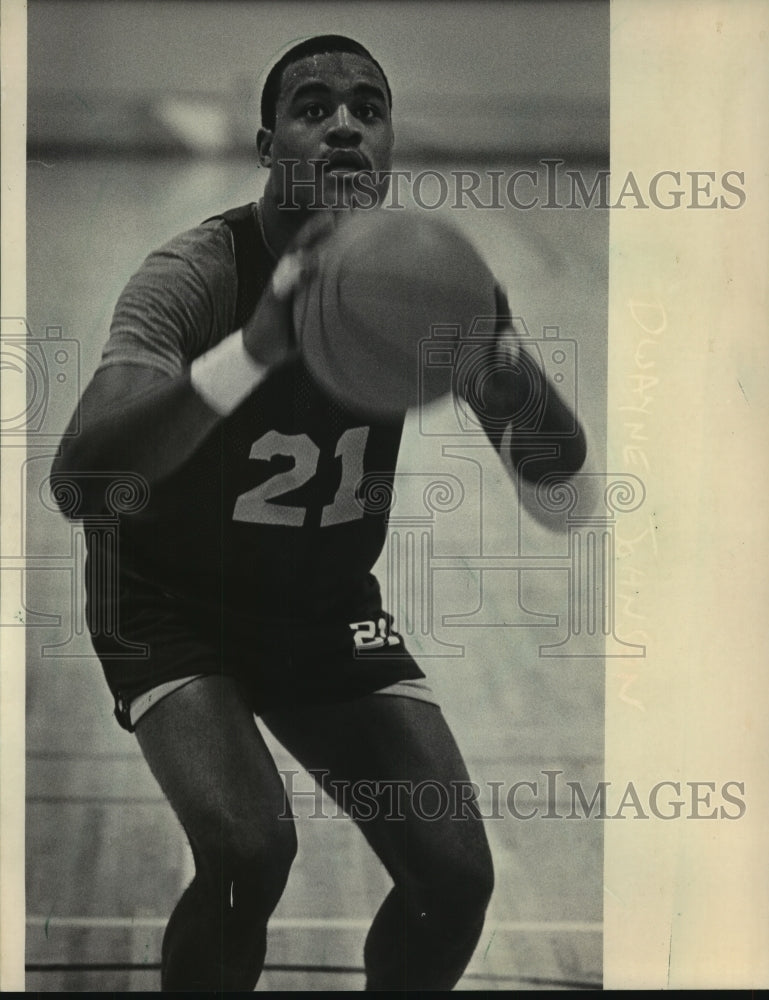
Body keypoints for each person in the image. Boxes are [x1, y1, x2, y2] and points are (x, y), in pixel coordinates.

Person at [51, 35, 587, 991]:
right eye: (313, 107)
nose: (343, 123)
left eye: (367, 108)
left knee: (453, 879)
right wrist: (252, 352)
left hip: (319, 600)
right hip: (169, 597)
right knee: (249, 855)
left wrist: (502, 361)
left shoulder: (424, 280)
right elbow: (83, 484)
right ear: (267, 145)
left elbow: (562, 488)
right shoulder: (193, 277)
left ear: (388, 144)